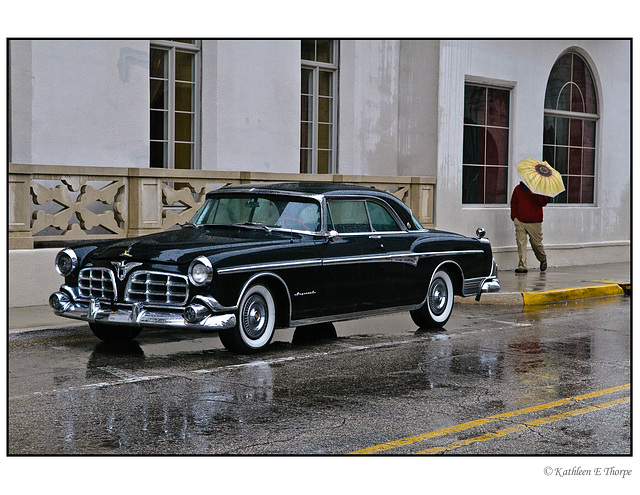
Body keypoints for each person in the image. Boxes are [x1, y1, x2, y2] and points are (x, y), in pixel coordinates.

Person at [510, 181, 548, 273]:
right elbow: (513, 203)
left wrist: (534, 193)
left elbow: (543, 202)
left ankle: (542, 258)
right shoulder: (518, 189)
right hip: (520, 220)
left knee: (536, 244)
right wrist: (514, 217)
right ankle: (522, 266)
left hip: (534, 221)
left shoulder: (538, 188)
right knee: (521, 243)